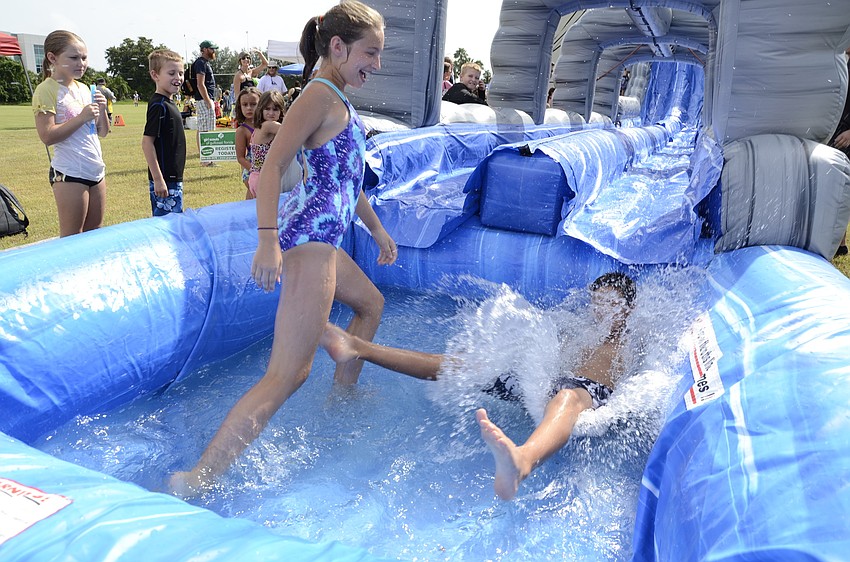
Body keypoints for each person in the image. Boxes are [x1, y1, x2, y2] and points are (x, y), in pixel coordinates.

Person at [169, 0, 397, 496]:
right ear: (337, 46)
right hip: (307, 242)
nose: (376, 65)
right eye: (370, 52)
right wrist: (267, 242)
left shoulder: (338, 97)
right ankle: (198, 478)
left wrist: (377, 230)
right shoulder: (317, 94)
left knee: (371, 305)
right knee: (288, 372)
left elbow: (346, 180)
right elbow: (271, 166)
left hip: (326, 240)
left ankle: (341, 401)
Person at [319, 273, 637, 501]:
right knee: (467, 366)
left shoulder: (631, 342)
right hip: (552, 382)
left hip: (587, 390)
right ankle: (359, 347)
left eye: (611, 304)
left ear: (627, 309)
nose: (601, 311)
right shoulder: (579, 331)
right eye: (597, 303)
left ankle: (522, 460)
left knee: (567, 398)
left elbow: (634, 380)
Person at [32, 30, 110, 238]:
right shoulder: (46, 90)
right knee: (72, 239)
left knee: (94, 235)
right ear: (52, 58)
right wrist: (81, 118)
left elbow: (102, 132)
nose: (81, 63)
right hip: (70, 174)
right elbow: (47, 136)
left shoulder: (85, 89)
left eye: (84, 58)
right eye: (74, 58)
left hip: (96, 171)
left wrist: (102, 111)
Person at [142, 49, 186, 216]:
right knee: (168, 226)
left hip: (173, 178)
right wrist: (159, 179)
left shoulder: (169, 103)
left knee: (175, 221)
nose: (178, 78)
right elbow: (147, 143)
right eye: (172, 73)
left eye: (181, 73)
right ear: (155, 75)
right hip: (165, 180)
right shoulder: (158, 105)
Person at [830, 46, 850, 257]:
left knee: (843, 188)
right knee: (835, 186)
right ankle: (838, 242)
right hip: (835, 132)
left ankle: (840, 243)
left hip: (847, 135)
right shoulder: (840, 62)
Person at [247, 90, 286, 199]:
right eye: (267, 109)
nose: (271, 113)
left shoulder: (259, 127)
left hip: (255, 176)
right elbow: (291, 131)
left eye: (275, 109)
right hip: (263, 179)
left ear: (280, 111)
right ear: (261, 109)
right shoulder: (269, 125)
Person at [192, 39, 219, 167]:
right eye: (211, 49)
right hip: (203, 99)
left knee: (205, 128)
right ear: (204, 49)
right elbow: (200, 84)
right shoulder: (200, 63)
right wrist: (208, 100)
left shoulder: (205, 63)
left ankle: (207, 157)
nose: (214, 51)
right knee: (204, 129)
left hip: (206, 98)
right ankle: (205, 159)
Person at [234, 87, 260, 198]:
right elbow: (240, 157)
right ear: (240, 107)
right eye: (245, 105)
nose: (249, 108)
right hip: (251, 170)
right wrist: (255, 170)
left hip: (267, 168)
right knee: (254, 197)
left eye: (253, 104)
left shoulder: (267, 125)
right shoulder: (242, 131)